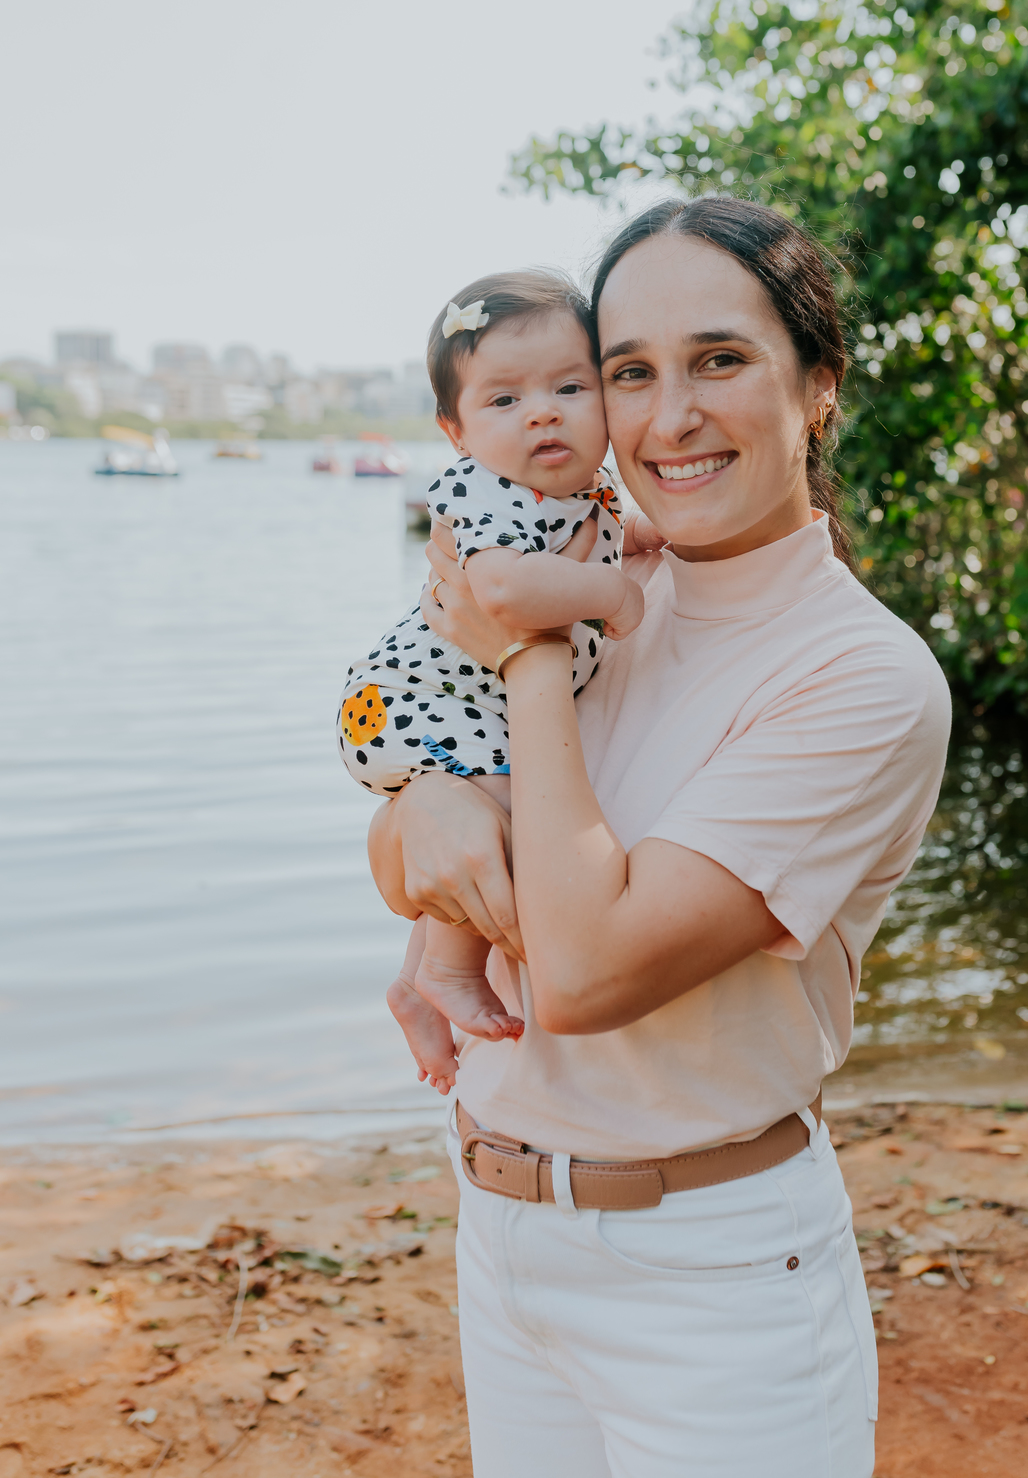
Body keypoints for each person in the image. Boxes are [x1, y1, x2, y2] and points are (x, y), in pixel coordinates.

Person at [368, 197, 952, 1477]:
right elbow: (403, 866)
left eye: (721, 360)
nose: (667, 416)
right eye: (629, 372)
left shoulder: (858, 676)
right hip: (503, 1229)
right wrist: (431, 799)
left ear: (819, 385)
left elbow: (582, 976)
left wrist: (523, 641)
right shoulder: (615, 584)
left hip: (710, 1274)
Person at [338, 271, 649, 1094]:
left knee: (476, 835)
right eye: (504, 400)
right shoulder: (491, 497)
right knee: (513, 811)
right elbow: (505, 596)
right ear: (457, 432)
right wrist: (612, 594)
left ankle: (417, 988)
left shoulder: (579, 494)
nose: (542, 411)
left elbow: (624, 531)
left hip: (459, 706)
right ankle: (450, 972)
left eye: (569, 387)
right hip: (423, 703)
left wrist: (657, 545)